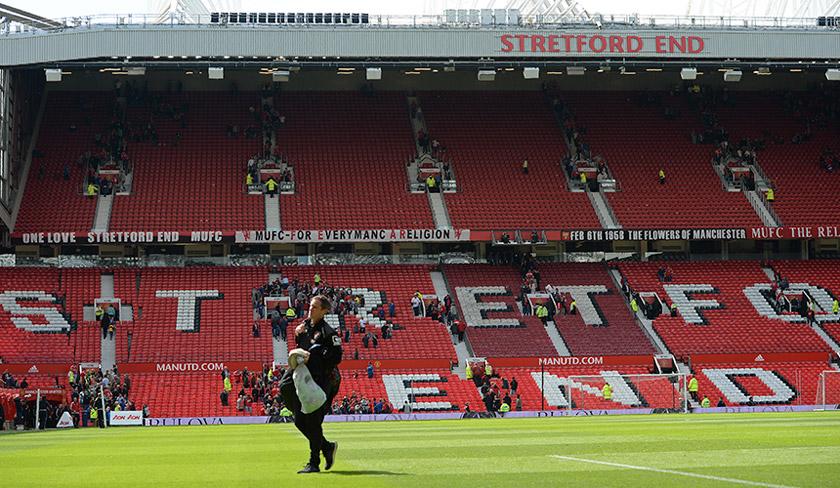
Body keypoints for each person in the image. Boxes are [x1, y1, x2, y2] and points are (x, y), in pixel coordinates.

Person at [280, 295, 342, 474]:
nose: (310, 309)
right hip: (304, 378)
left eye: (315, 307)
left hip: (322, 381)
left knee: (313, 422)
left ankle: (313, 462)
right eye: (310, 306)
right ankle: (326, 447)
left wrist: (315, 356)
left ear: (324, 311)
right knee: (299, 421)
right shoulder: (304, 326)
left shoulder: (328, 332)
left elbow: (337, 357)